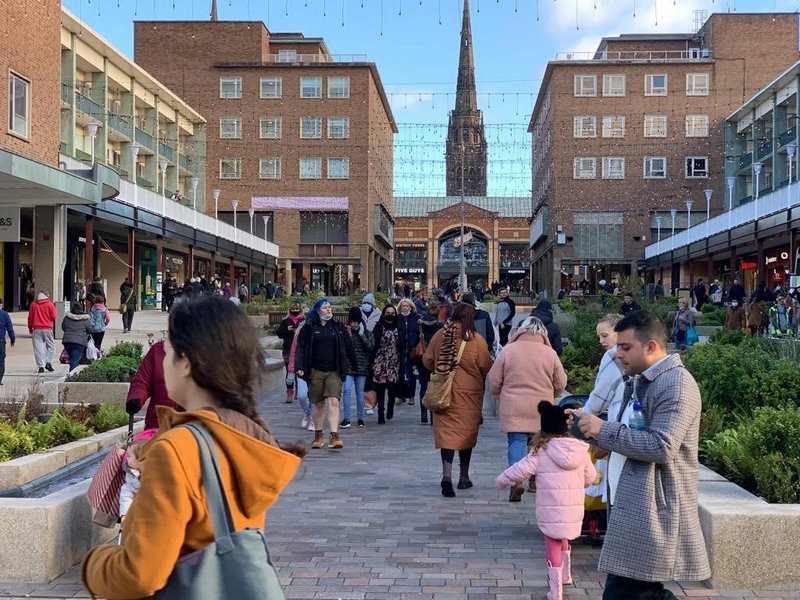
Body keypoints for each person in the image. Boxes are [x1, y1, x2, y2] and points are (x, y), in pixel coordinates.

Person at [82, 295, 304, 599]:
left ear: (185, 363)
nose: (164, 360)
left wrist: (93, 564)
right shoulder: (246, 434)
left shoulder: (177, 448)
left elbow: (140, 574)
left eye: (168, 351)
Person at [573, 311, 710, 599]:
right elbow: (630, 435)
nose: (617, 354)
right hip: (633, 505)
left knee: (627, 593)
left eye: (625, 347)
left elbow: (662, 446)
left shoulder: (675, 383)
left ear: (651, 346)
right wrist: (593, 433)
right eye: (617, 347)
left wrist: (604, 430)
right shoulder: (639, 380)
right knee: (636, 592)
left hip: (652, 510)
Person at [495, 401, 595, 600]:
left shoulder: (541, 450)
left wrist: (502, 480)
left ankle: (555, 591)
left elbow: (520, 469)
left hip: (550, 508)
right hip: (573, 507)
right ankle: (566, 576)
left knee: (552, 541)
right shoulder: (581, 450)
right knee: (564, 536)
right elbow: (590, 477)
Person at [489, 317, 567, 502]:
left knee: (515, 442)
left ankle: (516, 481)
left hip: (513, 404)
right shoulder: (550, 353)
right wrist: (552, 393)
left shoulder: (508, 350)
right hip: (541, 407)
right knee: (538, 444)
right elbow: (561, 382)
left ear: (520, 330)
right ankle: (534, 481)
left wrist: (498, 394)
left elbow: (494, 379)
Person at [422, 302, 493, 497]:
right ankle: (464, 477)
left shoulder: (440, 336)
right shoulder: (476, 340)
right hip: (469, 397)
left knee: (447, 435)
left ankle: (446, 475)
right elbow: (485, 365)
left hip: (443, 393)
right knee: (466, 435)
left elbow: (427, 361)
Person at [295, 297, 355, 449]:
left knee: (334, 401)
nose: (328, 309)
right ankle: (318, 435)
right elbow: (301, 348)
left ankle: (334, 436)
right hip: (315, 370)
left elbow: (348, 347)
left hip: (334, 370)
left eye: (329, 307)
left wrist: (354, 365)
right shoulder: (309, 327)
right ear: (317, 310)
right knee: (318, 404)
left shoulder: (338, 326)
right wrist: (300, 366)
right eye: (325, 307)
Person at [125, 341, 183, 430]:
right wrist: (136, 397)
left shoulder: (206, 352)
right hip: (158, 426)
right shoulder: (157, 350)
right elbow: (142, 382)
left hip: (194, 430)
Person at [583, 314, 625, 421]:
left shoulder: (612, 355)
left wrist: (582, 415)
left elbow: (602, 393)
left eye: (605, 335)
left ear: (620, 332)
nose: (601, 341)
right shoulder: (639, 352)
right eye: (599, 337)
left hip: (618, 418)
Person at [341, 307, 374, 428]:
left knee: (360, 393)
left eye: (356, 322)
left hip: (362, 367)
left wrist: (361, 336)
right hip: (349, 367)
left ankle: (360, 418)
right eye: (352, 321)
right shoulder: (346, 332)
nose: (354, 324)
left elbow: (370, 347)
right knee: (346, 390)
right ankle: (346, 418)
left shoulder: (366, 332)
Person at [370, 304, 402, 424]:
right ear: (384, 314)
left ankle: (390, 406)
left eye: (392, 313)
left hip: (394, 360)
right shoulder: (379, 326)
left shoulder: (398, 326)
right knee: (381, 388)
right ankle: (381, 413)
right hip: (380, 360)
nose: (390, 315)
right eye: (388, 312)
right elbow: (374, 342)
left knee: (392, 387)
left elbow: (401, 343)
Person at [118, 428, 159, 520]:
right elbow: (127, 493)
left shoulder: (158, 476)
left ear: (141, 460)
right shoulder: (131, 473)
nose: (127, 459)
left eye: (130, 456)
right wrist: (125, 515)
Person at [416, 300, 443, 425]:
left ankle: (423, 413)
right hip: (436, 358)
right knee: (434, 386)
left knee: (423, 386)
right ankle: (433, 414)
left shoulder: (420, 324)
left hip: (423, 356)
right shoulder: (440, 326)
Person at [277, 302, 305, 403]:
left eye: (297, 310)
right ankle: (290, 392)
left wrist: (299, 331)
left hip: (300, 349)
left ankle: (298, 390)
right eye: (293, 310)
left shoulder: (304, 321)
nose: (295, 312)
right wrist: (287, 330)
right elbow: (279, 334)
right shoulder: (286, 321)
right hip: (288, 348)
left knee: (299, 369)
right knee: (289, 370)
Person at [395, 298, 420, 406]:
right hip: (400, 349)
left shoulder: (416, 318)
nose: (405, 308)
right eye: (403, 306)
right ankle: (401, 395)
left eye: (407, 306)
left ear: (410, 307)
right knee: (400, 373)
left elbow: (419, 333)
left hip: (412, 350)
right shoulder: (398, 319)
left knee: (412, 373)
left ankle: (411, 396)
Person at [28, 290, 57, 373]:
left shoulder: (33, 304)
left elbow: (30, 318)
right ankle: (48, 362)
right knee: (51, 346)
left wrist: (30, 328)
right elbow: (54, 316)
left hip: (36, 329)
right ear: (46, 295)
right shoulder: (50, 304)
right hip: (47, 328)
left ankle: (41, 366)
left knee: (38, 348)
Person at [61, 303, 93, 372]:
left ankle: (73, 372)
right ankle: (72, 376)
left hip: (67, 342)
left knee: (73, 358)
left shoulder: (67, 317)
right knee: (74, 359)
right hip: (79, 342)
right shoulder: (85, 319)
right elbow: (90, 330)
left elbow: (63, 327)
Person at [0, 298, 15, 385]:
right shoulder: (5, 315)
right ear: (1, 305)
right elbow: (10, 329)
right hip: (1, 340)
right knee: (1, 360)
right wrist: (12, 339)